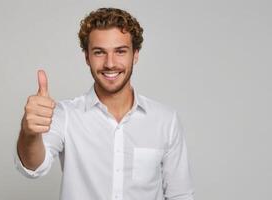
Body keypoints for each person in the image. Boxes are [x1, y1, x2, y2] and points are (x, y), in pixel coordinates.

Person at [15, 7, 194, 200]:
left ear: (135, 55)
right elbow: (33, 167)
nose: (110, 63)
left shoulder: (165, 120)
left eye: (120, 51)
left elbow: (180, 194)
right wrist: (29, 133)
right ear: (87, 57)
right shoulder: (65, 115)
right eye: (99, 52)